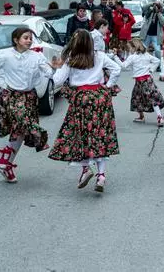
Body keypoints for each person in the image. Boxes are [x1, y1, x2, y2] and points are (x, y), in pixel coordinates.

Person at [48, 30, 121, 192]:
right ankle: (101, 175)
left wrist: (51, 70)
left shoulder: (71, 59)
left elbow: (58, 80)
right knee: (99, 134)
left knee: (80, 135)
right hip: (99, 98)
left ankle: (86, 168)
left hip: (81, 99)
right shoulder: (100, 56)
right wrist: (108, 86)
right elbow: (116, 69)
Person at [0, 27, 54, 182]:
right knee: (23, 124)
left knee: (22, 130)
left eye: (30, 38)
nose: (29, 41)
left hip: (29, 97)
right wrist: (3, 84)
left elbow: (48, 72)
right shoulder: (5, 56)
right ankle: (5, 160)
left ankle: (7, 163)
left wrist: (53, 68)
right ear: (16, 40)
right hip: (11, 97)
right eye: (25, 38)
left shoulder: (37, 56)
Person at [118, 38, 164, 126]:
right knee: (150, 98)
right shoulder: (146, 54)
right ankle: (157, 117)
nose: (129, 50)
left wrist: (115, 57)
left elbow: (123, 65)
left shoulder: (132, 57)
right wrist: (151, 69)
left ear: (134, 47)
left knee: (137, 98)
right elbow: (157, 61)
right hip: (148, 79)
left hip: (140, 81)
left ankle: (150, 116)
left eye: (130, 48)